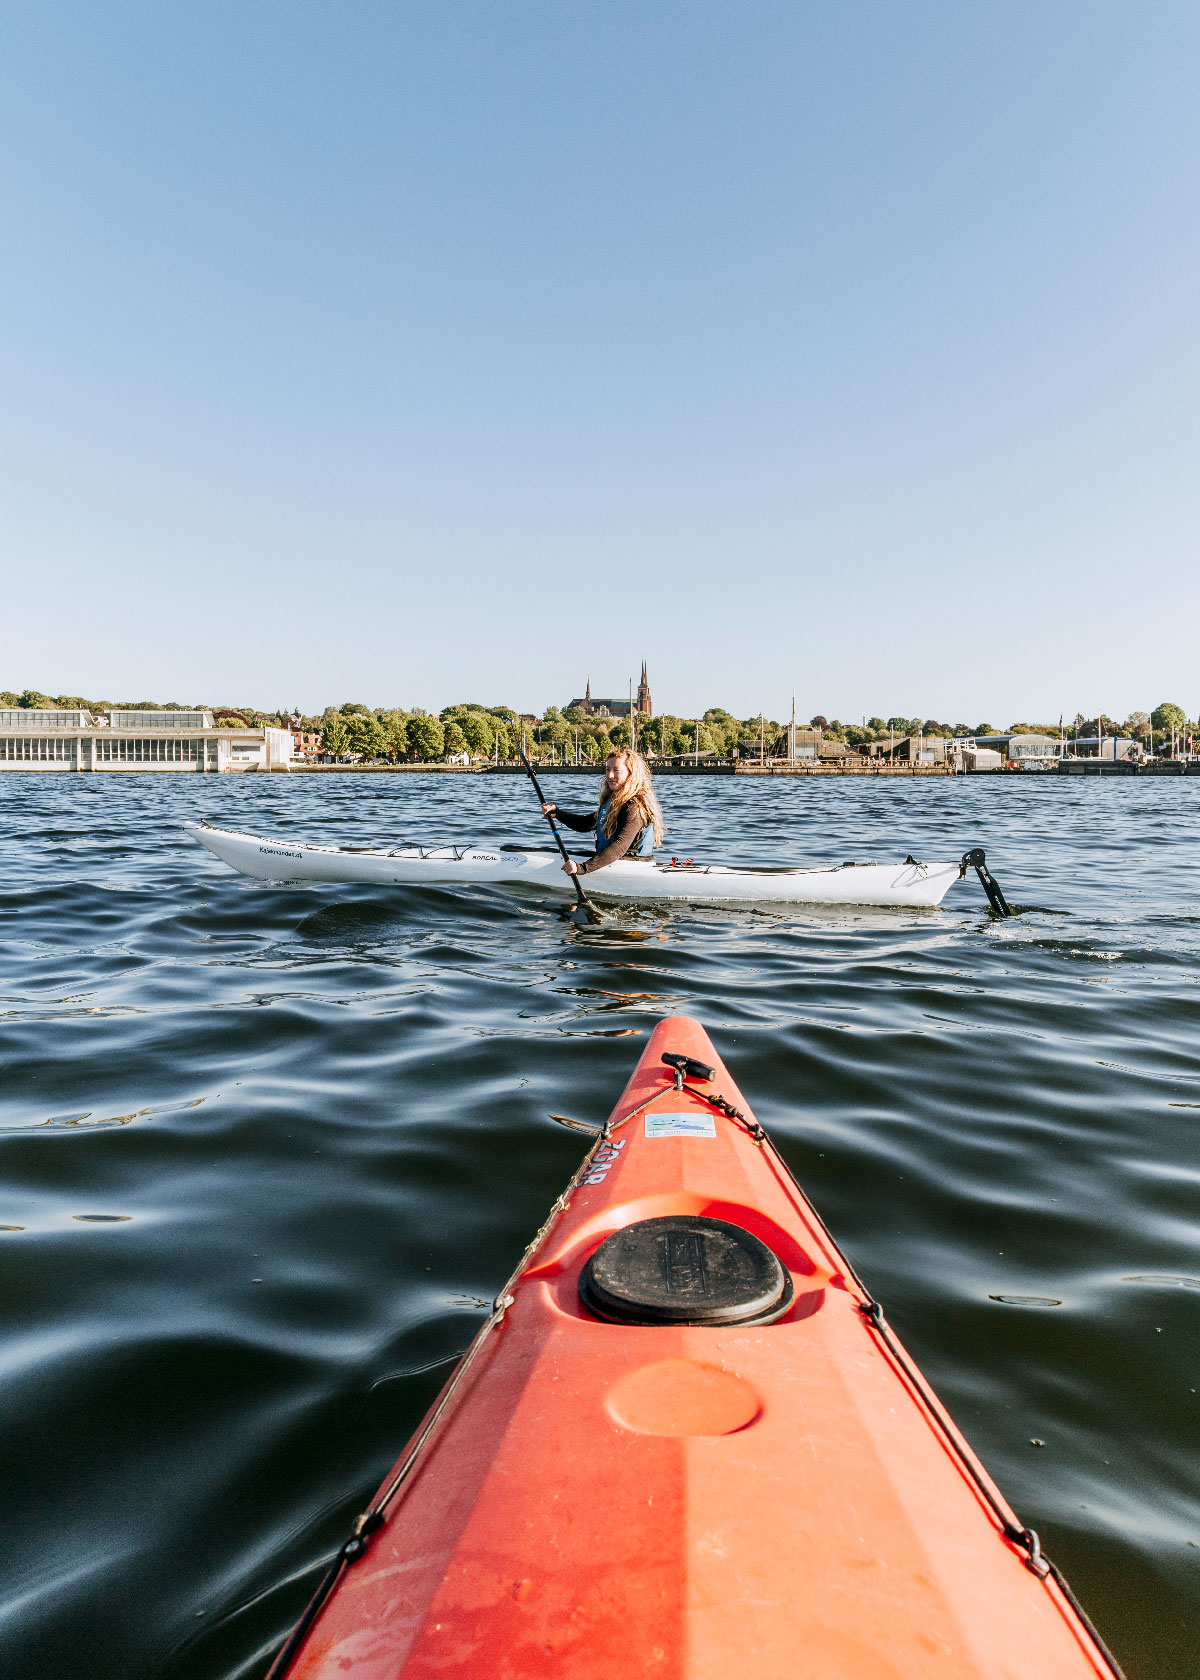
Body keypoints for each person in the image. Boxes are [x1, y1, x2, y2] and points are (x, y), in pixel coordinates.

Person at [541, 748, 665, 877]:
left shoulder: (634, 808)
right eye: (607, 769)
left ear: (631, 774)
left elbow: (619, 847)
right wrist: (557, 813)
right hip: (616, 862)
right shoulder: (615, 802)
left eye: (616, 770)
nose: (609, 775)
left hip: (631, 867)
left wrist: (582, 868)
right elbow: (585, 824)